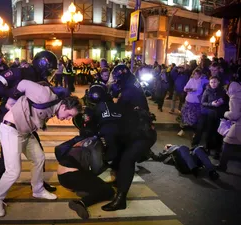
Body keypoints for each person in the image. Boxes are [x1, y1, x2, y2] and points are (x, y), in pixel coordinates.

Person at [0, 79, 82, 217]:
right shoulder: (45, 95)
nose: (68, 119)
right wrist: (10, 102)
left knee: (39, 158)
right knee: (13, 171)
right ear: (63, 107)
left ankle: (38, 190)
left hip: (25, 132)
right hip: (11, 129)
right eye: (69, 115)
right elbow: (23, 83)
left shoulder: (55, 106)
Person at [0, 51, 59, 197]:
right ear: (42, 64)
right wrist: (11, 94)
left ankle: (38, 183)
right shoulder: (20, 72)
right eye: (50, 69)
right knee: (6, 157)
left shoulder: (41, 78)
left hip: (27, 121)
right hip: (9, 118)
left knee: (38, 154)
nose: (50, 73)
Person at [102, 64, 157, 211]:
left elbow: (118, 109)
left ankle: (121, 199)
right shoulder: (130, 84)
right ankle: (119, 181)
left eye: (116, 78)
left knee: (127, 159)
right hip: (134, 131)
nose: (115, 81)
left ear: (121, 76)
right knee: (118, 153)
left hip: (143, 134)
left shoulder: (129, 91)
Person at [56, 135, 114, 219]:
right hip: (72, 176)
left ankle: (84, 190)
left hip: (63, 176)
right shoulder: (96, 145)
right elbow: (96, 169)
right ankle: (80, 203)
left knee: (97, 183)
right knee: (109, 191)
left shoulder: (86, 140)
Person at [192, 76, 228, 158]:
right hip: (210, 114)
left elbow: (227, 102)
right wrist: (211, 104)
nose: (213, 84)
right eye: (211, 82)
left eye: (215, 82)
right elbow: (203, 102)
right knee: (209, 131)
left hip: (219, 114)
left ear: (218, 82)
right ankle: (207, 148)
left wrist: (222, 102)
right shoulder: (207, 90)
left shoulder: (222, 91)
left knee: (218, 133)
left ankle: (217, 151)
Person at [217, 69, 241, 172]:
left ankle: (222, 166)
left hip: (239, 124)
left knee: (227, 143)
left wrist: (225, 114)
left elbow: (234, 114)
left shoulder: (235, 97)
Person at [151, 144, 219, 180]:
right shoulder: (172, 152)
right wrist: (150, 154)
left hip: (191, 161)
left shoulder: (182, 150)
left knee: (197, 149)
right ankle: (194, 169)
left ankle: (212, 172)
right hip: (185, 166)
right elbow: (159, 158)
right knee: (182, 147)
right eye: (167, 146)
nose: (169, 145)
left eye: (169, 145)